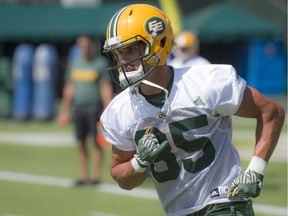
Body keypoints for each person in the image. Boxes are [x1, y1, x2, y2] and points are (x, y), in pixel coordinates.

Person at [100, 4, 285, 216]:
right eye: (118, 53)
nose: (123, 61)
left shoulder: (206, 82)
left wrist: (255, 170)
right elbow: (122, 177)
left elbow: (271, 112)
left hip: (225, 202)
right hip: (178, 211)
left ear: (158, 44)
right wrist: (138, 162)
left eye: (130, 49)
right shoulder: (120, 110)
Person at [58, 35, 113, 186]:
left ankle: (96, 177)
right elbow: (69, 87)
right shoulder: (75, 64)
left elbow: (105, 88)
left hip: (94, 108)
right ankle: (83, 177)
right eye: (81, 45)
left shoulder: (100, 63)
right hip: (78, 108)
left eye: (86, 45)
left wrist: (107, 110)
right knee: (81, 143)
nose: (84, 48)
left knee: (96, 143)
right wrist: (64, 109)